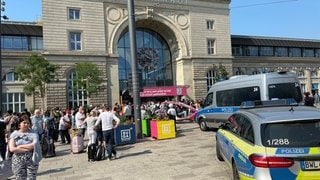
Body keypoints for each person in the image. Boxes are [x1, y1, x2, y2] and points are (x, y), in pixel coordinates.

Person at [8, 113, 42, 180]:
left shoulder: (34, 133)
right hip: (18, 160)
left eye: (28, 123)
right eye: (24, 123)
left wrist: (19, 147)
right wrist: (26, 149)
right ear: (19, 125)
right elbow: (12, 149)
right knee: (20, 178)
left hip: (31, 160)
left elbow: (34, 145)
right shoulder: (14, 134)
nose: (26, 124)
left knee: (31, 178)